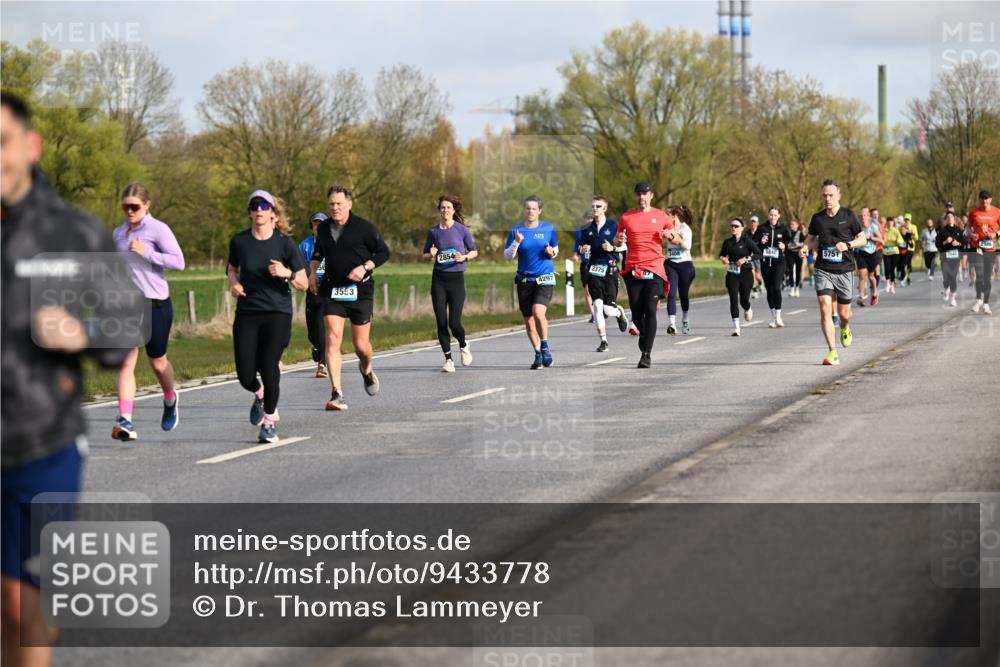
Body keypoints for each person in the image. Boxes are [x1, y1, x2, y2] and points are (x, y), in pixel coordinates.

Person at [1, 92, 144, 667]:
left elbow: (127, 323)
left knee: (25, 608)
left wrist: (81, 332)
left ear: (30, 147)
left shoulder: (70, 233)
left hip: (44, 442)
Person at [227, 190, 308, 442]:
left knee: (268, 364)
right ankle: (259, 392)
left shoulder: (284, 244)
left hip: (277, 313)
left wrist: (287, 273)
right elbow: (231, 268)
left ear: (273, 212)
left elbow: (304, 283)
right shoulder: (239, 242)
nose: (259, 210)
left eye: (264, 206)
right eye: (254, 206)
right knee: (245, 374)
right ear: (250, 212)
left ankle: (270, 420)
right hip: (248, 312)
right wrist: (234, 283)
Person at [109, 183, 186, 441]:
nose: (130, 211)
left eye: (135, 207)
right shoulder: (118, 233)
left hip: (156, 304)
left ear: (147, 205)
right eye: (125, 207)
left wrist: (148, 253)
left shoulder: (158, 229)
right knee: (125, 363)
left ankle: (169, 397)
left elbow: (179, 262)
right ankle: (125, 421)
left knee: (157, 362)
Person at [310, 185, 390, 408]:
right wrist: (313, 273)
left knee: (361, 347)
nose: (335, 208)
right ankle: (337, 393)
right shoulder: (324, 229)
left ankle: (366, 369)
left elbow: (384, 252)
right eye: (331, 204)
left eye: (339, 204)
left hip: (360, 292)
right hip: (332, 291)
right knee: (333, 339)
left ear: (349, 205)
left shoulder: (364, 228)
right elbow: (318, 253)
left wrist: (365, 267)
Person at [800, 179, 866, 366]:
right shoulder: (817, 218)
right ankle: (832, 352)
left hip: (844, 270)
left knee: (845, 313)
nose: (827, 199)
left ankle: (845, 327)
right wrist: (805, 247)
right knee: (825, 307)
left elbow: (862, 239)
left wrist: (848, 245)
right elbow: (811, 238)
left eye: (831, 195)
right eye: (824, 195)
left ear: (839, 196)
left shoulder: (849, 215)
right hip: (823, 269)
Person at [615, 181, 672, 368]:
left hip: (654, 267)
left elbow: (676, 238)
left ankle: (646, 354)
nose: (642, 197)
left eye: (645, 194)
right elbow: (617, 240)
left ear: (651, 196)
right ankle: (643, 335)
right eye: (639, 194)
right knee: (637, 312)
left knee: (650, 309)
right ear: (636, 196)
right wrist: (619, 239)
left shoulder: (661, 216)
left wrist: (670, 236)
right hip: (633, 268)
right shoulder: (626, 217)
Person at [423, 195, 477, 372]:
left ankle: (463, 344)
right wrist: (430, 254)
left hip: (456, 280)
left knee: (454, 323)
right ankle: (448, 360)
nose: (445, 210)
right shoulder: (433, 232)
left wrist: (465, 257)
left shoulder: (461, 230)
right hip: (439, 279)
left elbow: (474, 251)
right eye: (443, 208)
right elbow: (424, 254)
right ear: (439, 211)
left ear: (453, 211)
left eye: (448, 208)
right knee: (441, 321)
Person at [504, 196, 559, 369]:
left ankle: (545, 345)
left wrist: (551, 252)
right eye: (528, 208)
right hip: (525, 279)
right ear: (524, 210)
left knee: (538, 312)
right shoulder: (516, 230)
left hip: (545, 277)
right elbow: (507, 256)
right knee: (528, 320)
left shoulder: (549, 228)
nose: (530, 211)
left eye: (534, 209)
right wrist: (516, 242)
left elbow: (555, 250)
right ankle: (537, 354)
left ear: (539, 211)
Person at [579, 196, 628, 351]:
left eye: (598, 206)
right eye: (593, 206)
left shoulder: (614, 225)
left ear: (605, 208)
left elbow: (624, 246)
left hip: (610, 269)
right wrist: (583, 250)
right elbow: (581, 248)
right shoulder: (587, 229)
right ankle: (603, 341)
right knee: (597, 306)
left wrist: (612, 248)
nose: (595, 209)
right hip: (594, 270)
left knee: (608, 309)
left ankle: (619, 312)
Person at [720, 217, 762, 336]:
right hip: (732, 273)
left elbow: (759, 254)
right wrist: (723, 259)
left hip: (745, 273)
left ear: (742, 228)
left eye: (736, 226)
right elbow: (722, 255)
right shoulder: (727, 242)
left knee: (744, 300)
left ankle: (747, 308)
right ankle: (736, 327)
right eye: (731, 226)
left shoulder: (747, 241)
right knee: (733, 299)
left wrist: (746, 259)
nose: (733, 228)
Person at [300, 212, 330, 378]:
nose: (318, 226)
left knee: (321, 326)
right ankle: (318, 347)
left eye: (321, 223)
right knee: (312, 331)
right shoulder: (305, 245)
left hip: (327, 289)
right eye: (315, 223)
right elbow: (297, 266)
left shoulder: (333, 243)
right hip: (311, 289)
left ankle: (322, 363)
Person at [752, 207, 790, 328]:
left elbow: (790, 242)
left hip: (779, 262)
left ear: (779, 216)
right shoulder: (762, 228)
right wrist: (761, 242)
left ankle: (779, 316)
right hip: (765, 262)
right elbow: (753, 243)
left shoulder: (783, 228)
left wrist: (785, 245)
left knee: (776, 287)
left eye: (775, 215)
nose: (773, 217)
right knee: (769, 289)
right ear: (768, 216)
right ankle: (773, 316)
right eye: (771, 215)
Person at [664, 204, 696, 334]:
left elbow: (687, 246)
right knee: (671, 293)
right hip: (670, 263)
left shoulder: (685, 228)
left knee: (683, 295)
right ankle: (672, 324)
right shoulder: (667, 228)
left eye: (667, 215)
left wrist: (674, 238)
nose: (664, 218)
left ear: (674, 216)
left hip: (685, 264)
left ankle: (685, 319)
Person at [968, 189, 999, 314]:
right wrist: (972, 234)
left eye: (987, 198)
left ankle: (986, 303)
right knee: (979, 275)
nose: (984, 200)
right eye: (982, 198)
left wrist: (995, 234)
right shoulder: (974, 212)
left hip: (990, 249)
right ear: (979, 199)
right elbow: (967, 227)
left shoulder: (997, 212)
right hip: (978, 248)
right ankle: (978, 300)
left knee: (987, 277)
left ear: (991, 199)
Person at [855, 206, 883, 307]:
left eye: (864, 215)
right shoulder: (857, 227)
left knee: (871, 277)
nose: (862, 217)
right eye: (861, 216)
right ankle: (861, 296)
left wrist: (870, 237)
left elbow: (881, 240)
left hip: (872, 254)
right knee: (862, 275)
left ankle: (875, 293)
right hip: (862, 253)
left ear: (868, 216)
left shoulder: (873, 227)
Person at [572, 210, 595, 322]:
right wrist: (576, 254)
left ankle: (601, 309)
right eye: (587, 218)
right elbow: (577, 245)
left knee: (598, 288)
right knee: (588, 289)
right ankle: (593, 314)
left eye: (591, 218)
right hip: (585, 263)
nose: (589, 220)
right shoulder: (580, 231)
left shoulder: (599, 230)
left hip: (598, 263)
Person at [937, 212, 963, 307]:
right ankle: (946, 289)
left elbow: (964, 242)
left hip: (955, 257)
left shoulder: (959, 230)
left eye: (951, 216)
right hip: (945, 257)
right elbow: (937, 244)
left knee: (953, 277)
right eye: (948, 217)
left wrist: (958, 244)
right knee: (946, 277)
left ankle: (953, 298)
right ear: (946, 220)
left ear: (954, 219)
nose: (950, 218)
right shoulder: (942, 231)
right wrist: (945, 241)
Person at [882, 218, 903, 295]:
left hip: (894, 252)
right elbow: (882, 239)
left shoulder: (896, 231)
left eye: (891, 223)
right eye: (889, 223)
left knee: (892, 269)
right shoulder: (884, 230)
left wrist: (897, 241)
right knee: (887, 267)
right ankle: (887, 284)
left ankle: (892, 285)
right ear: (887, 223)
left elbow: (901, 240)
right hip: (886, 252)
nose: (890, 225)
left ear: (893, 223)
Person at [785, 219, 805, 297]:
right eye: (791, 224)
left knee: (798, 271)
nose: (791, 226)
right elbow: (785, 241)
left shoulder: (800, 233)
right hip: (789, 253)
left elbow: (805, 243)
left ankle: (797, 288)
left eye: (793, 224)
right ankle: (792, 288)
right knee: (790, 271)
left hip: (798, 253)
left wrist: (799, 244)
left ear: (797, 225)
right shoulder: (788, 233)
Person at [748, 215, 763, 298]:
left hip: (758, 256)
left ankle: (761, 283)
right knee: (751, 273)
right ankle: (755, 291)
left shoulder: (761, 233)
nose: (753, 223)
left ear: (758, 223)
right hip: (750, 256)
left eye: (754, 222)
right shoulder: (747, 233)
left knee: (758, 275)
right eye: (752, 222)